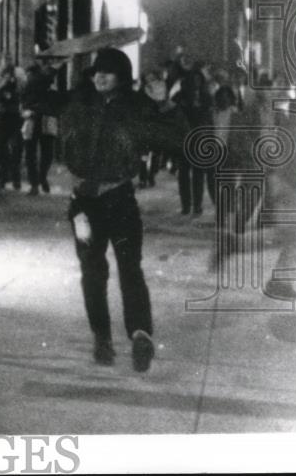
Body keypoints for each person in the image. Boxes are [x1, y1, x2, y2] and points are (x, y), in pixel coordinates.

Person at [54, 47, 185, 371]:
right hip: (83, 207)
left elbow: (178, 139)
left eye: (107, 71)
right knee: (92, 271)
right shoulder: (80, 102)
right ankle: (102, 338)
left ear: (122, 77)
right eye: (96, 70)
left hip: (120, 202)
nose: (99, 76)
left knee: (130, 269)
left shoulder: (137, 107)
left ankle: (140, 335)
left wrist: (164, 104)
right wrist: (48, 68)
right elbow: (34, 100)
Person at [175, 69, 214, 217]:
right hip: (183, 139)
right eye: (193, 80)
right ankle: (186, 205)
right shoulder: (180, 96)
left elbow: (210, 117)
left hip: (200, 139)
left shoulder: (207, 97)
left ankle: (197, 205)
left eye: (199, 80)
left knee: (198, 174)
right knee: (183, 174)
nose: (196, 83)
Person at [21, 61, 58, 195]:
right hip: (47, 117)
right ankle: (41, 178)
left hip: (33, 118)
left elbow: (23, 103)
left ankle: (35, 183)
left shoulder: (29, 85)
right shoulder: (47, 82)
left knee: (30, 153)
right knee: (47, 152)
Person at [0, 63, 24, 190]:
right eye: (6, 74)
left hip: (14, 118)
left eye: (10, 74)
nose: (9, 77)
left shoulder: (17, 85)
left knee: (16, 150)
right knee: (0, 150)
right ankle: (2, 179)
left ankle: (16, 180)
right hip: (2, 118)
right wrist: (3, 83)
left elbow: (21, 94)